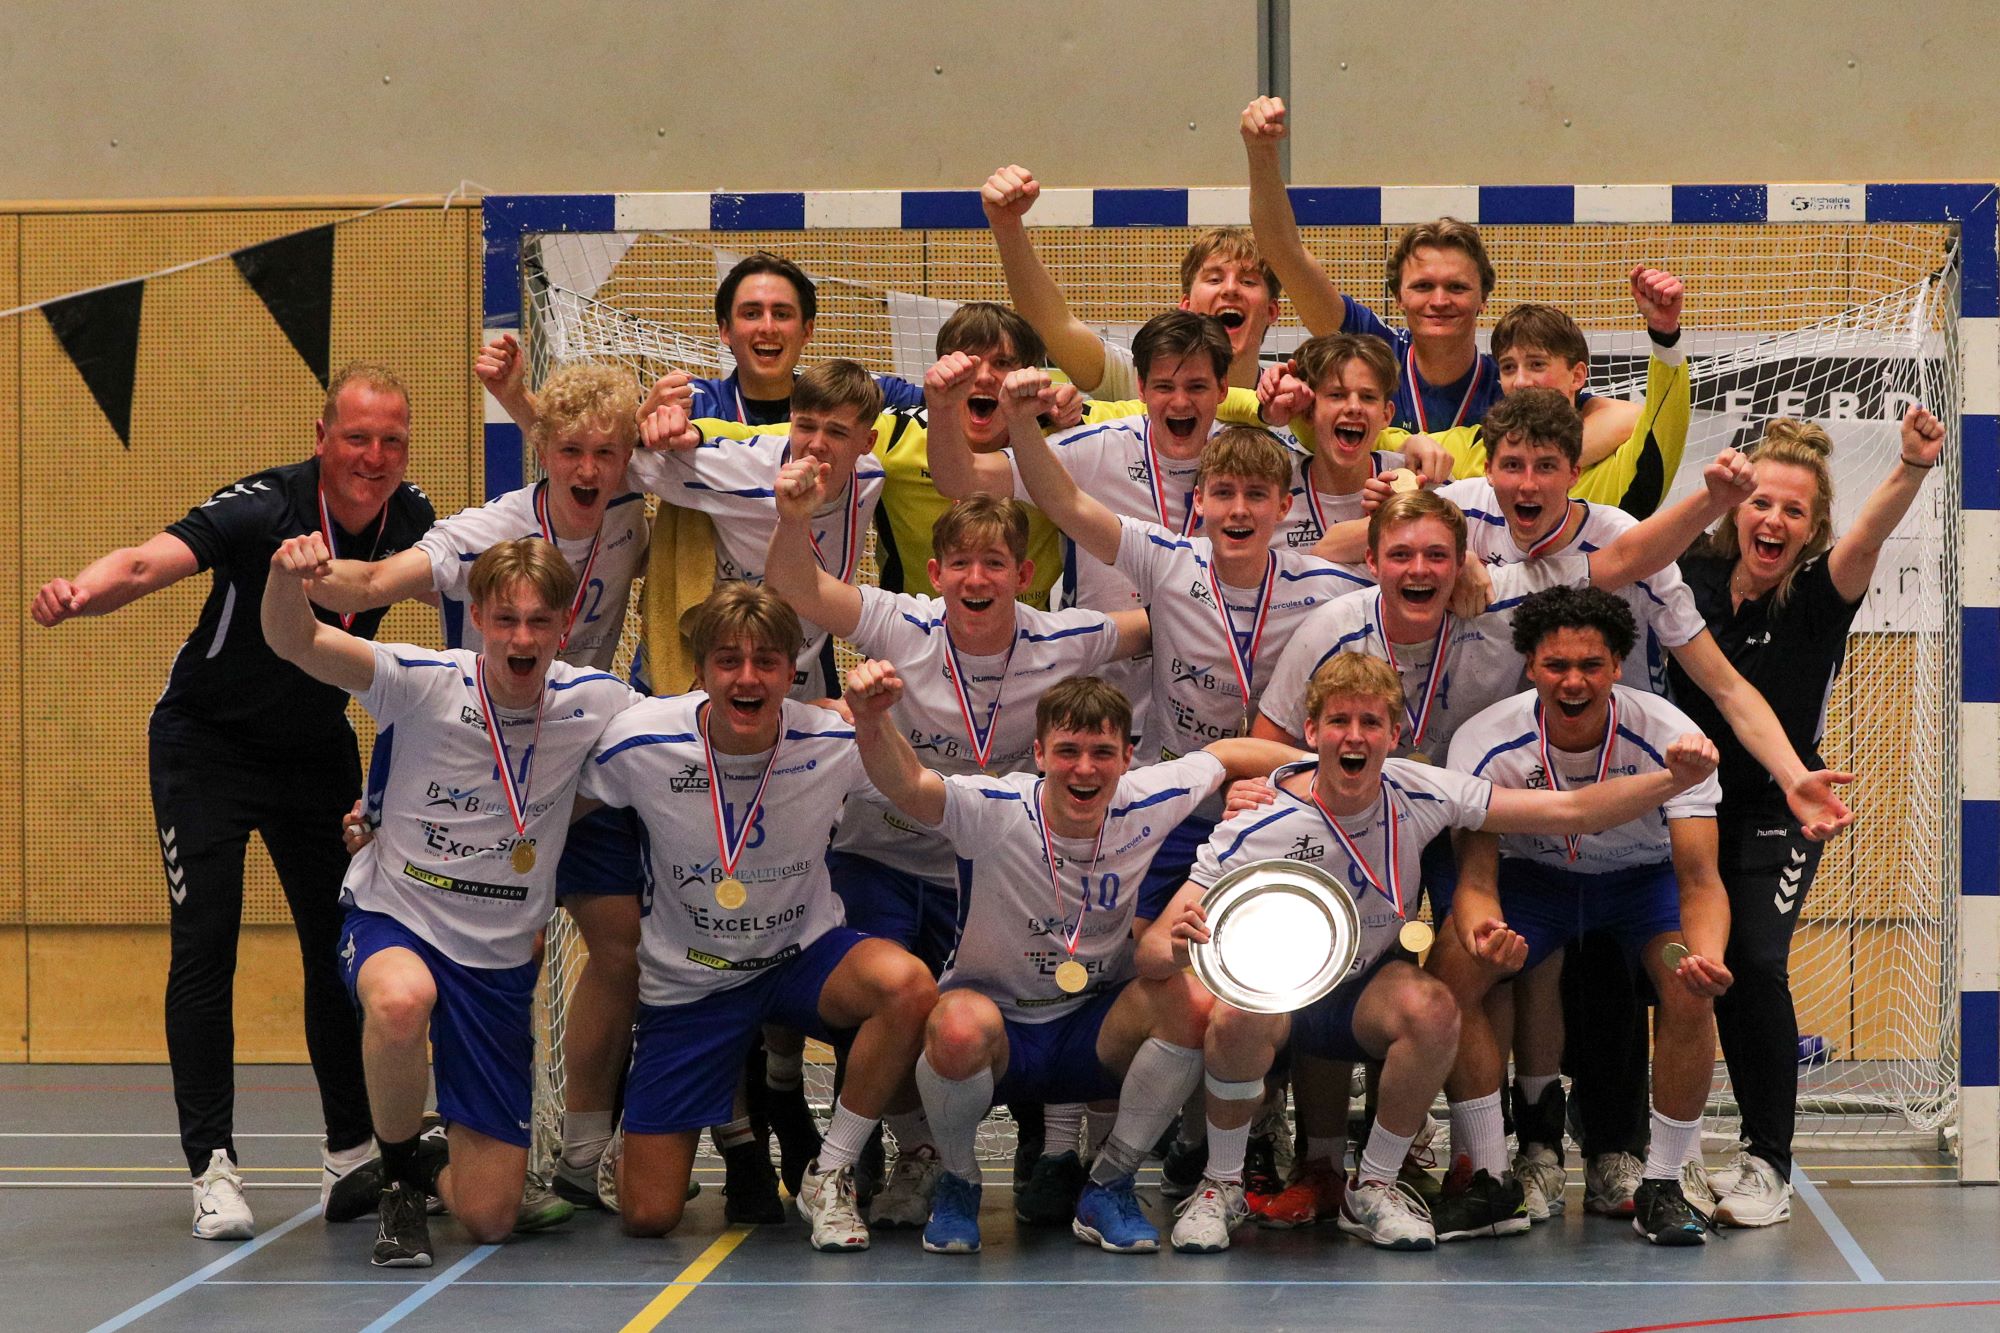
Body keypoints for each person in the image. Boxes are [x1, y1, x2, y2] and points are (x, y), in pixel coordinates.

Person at [29, 364, 434, 1240]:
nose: (373, 457)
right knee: (206, 944)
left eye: (391, 441)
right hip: (205, 747)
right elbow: (149, 560)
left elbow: (471, 594)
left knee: (340, 947)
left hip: (315, 748)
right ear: (321, 439)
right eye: (356, 438)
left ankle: (350, 1153)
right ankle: (212, 1166)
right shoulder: (264, 506)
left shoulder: (413, 519)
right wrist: (81, 593)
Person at [1140, 652, 1720, 1252]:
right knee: (1235, 1011)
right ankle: (1221, 1184)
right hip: (1280, 1002)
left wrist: (1672, 781)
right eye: (1339, 721)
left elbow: (1568, 809)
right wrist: (1178, 949)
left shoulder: (1418, 791)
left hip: (1366, 995)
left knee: (1437, 1005)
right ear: (1311, 732)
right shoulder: (1256, 817)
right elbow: (1153, 948)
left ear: (1394, 735)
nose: (1355, 736)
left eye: (1371, 722)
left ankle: (1375, 1185)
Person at [306, 363, 650, 1217]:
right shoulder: (486, 531)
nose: (589, 469)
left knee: (620, 941)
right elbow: (374, 584)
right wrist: (308, 575)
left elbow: (609, 456)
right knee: (474, 945)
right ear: (543, 448)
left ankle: (577, 1150)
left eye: (606, 454)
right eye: (570, 451)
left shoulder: (634, 508)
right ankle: (417, 1148)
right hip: (469, 752)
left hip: (574, 744)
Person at [766, 473, 1149, 1225]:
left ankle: (1032, 1152)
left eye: (995, 563)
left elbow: (1160, 621)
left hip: (981, 873)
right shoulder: (900, 623)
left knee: (1000, 1012)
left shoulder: (1063, 639)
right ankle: (910, 1154)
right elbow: (796, 584)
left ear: (1023, 573)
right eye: (962, 564)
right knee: (885, 999)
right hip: (879, 854)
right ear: (936, 574)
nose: (978, 578)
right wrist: (791, 516)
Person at [264, 534, 636, 1267]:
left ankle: (427, 1156)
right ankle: (400, 1184)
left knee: (489, 1217)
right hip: (397, 915)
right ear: (479, 621)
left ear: (564, 626)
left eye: (538, 621)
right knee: (401, 1002)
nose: (521, 638)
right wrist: (283, 577)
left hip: (498, 958)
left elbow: (694, 734)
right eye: (506, 620)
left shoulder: (596, 702)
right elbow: (295, 640)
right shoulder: (422, 680)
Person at [844, 664, 1305, 1254]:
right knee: (955, 1026)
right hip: (1000, 1029)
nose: (1085, 768)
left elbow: (1226, 753)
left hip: (1092, 1026)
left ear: (1127, 758)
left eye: (1101, 753)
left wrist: (1319, 771)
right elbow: (907, 783)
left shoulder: (1148, 797)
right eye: (1067, 751)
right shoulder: (993, 807)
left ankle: (1109, 1183)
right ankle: (958, 1181)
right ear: (1039, 753)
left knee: (1191, 1000)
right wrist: (872, 719)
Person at [577, 584, 938, 1251]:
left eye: (766, 661)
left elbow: (915, 792)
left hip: (801, 958)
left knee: (907, 985)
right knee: (648, 1215)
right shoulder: (639, 738)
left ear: (791, 672)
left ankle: (830, 1171)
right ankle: (638, 1127)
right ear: (700, 671)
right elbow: (556, 805)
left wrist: (873, 722)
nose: (748, 677)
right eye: (729, 660)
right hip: (692, 981)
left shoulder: (829, 735)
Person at [1666, 407, 1946, 1227]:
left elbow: (1869, 532)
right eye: (1762, 502)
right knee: (1657, 965)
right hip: (1674, 806)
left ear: (1813, 526)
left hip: (1777, 807)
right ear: (1734, 508)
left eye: (1795, 509)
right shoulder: (1689, 576)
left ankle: (1767, 1162)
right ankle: (1653, 1152)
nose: (1775, 519)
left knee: (1753, 961)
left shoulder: (1821, 595)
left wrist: (1912, 466)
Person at [1439, 586, 1732, 1246]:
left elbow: (1698, 878)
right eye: (1556, 665)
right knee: (1452, 974)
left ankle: (1665, 1182)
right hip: (1534, 880)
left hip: (1639, 883)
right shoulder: (1485, 740)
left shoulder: (1671, 737)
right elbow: (1476, 877)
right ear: (1530, 665)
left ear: (1618, 665)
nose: (1573, 682)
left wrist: (1709, 954)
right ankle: (1491, 1177)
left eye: (1591, 665)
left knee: (1691, 984)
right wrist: (1484, 930)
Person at [981, 165, 1281, 396]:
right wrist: (1007, 225)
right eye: (1214, 279)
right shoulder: (1138, 379)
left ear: (1271, 310)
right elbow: (1052, 324)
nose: (1230, 289)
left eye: (1248, 282)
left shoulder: (1293, 399)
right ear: (1186, 307)